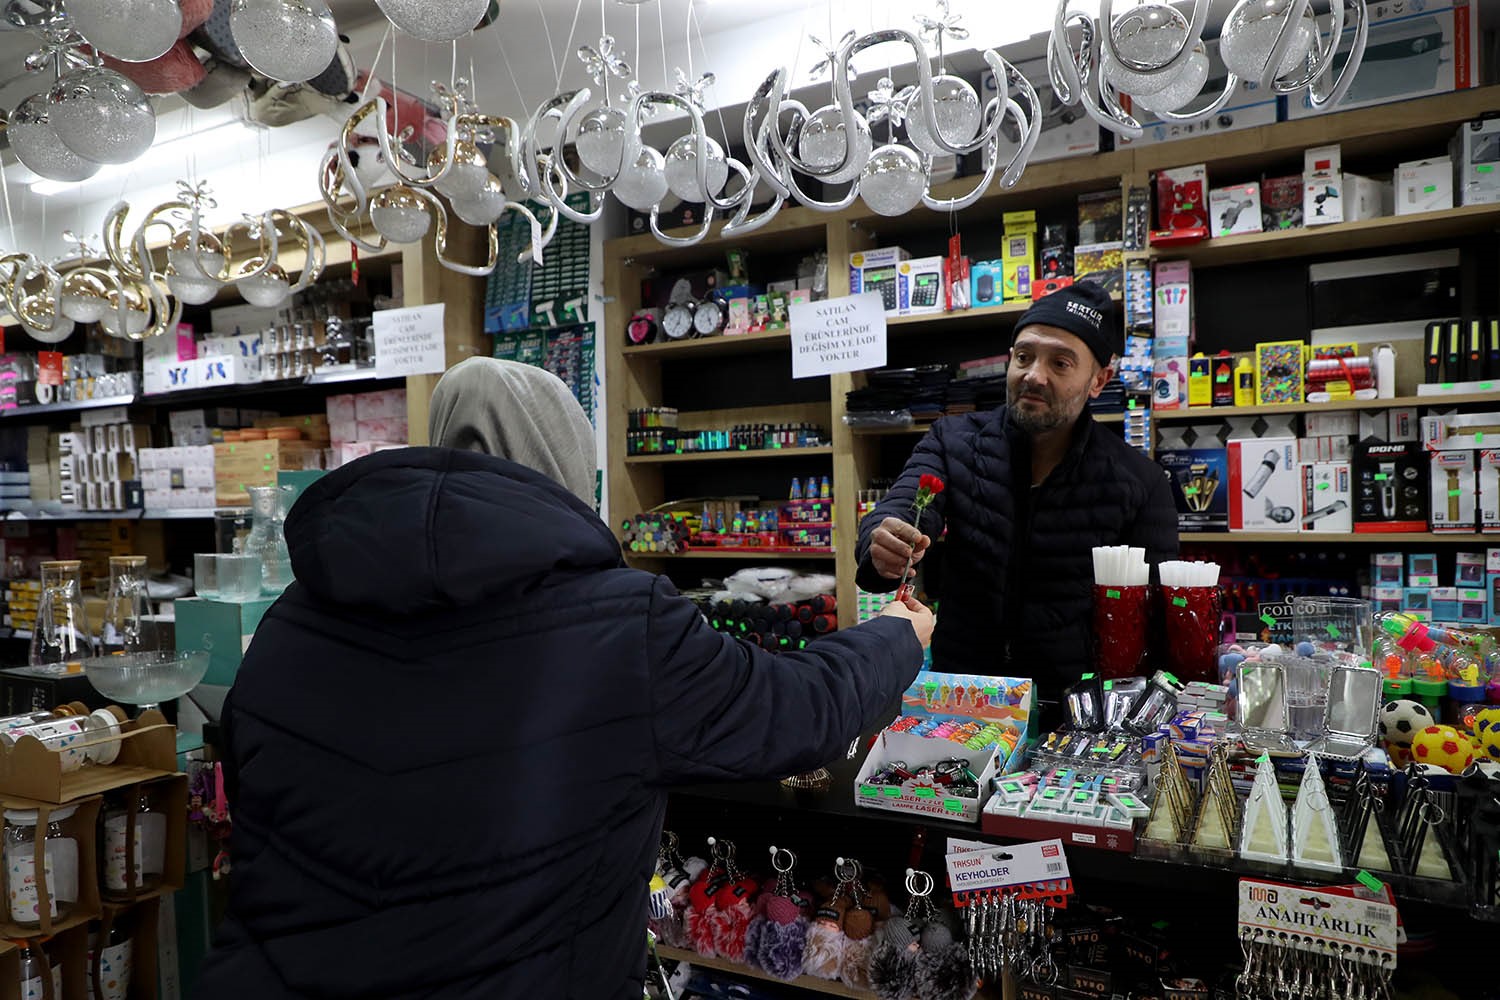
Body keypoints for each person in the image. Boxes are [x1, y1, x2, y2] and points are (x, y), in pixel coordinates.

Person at [195, 357, 934, 1000]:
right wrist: (898, 638)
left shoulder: (297, 618)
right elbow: (794, 715)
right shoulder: (620, 624)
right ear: (568, 464)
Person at [856, 281, 1177, 698]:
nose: (1033, 376)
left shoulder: (1139, 482)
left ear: (1099, 380)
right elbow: (901, 507)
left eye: (1060, 363)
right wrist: (882, 543)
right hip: (963, 695)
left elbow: (1157, 617)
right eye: (1024, 357)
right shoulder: (953, 441)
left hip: (1071, 713)